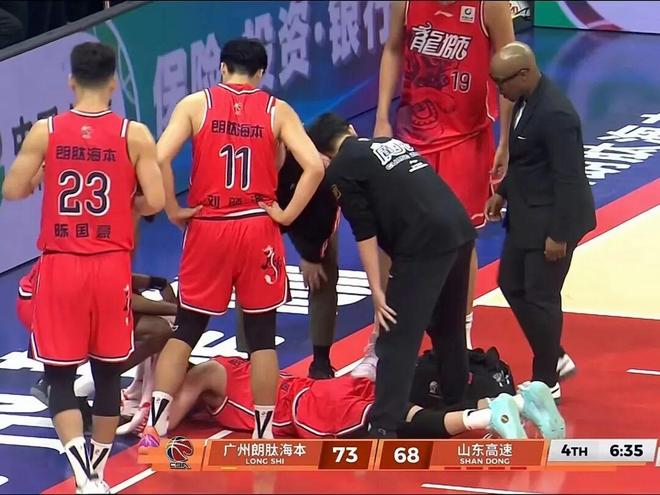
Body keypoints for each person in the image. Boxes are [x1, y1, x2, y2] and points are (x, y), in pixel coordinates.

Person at [141, 38, 324, 445]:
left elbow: (158, 158)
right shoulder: (277, 110)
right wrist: (286, 214)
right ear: (261, 73)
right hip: (257, 226)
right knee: (261, 336)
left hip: (209, 224)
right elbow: (314, 166)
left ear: (222, 68)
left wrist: (172, 208)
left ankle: (155, 426)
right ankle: (263, 434)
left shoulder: (195, 104)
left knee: (187, 328)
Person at [2, 41, 164, 494]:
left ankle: (82, 475)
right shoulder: (135, 134)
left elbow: (13, 190)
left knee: (59, 375)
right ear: (113, 82)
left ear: (71, 81)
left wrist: (39, 178)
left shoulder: (46, 131)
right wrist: (126, 201)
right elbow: (156, 201)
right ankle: (99, 472)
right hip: (110, 266)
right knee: (109, 373)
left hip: (62, 265)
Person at [363, 1, 516, 367]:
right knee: (391, 237)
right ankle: (380, 340)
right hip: (412, 136)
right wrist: (382, 116)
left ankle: (461, 338)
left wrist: (507, 141)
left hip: (467, 138)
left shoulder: (490, 6)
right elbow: (393, 49)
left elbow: (511, 70)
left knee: (460, 242)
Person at [305, 112, 476, 439]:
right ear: (351, 129)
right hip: (459, 230)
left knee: (396, 337)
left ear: (324, 154)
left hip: (423, 243)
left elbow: (364, 231)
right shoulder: (389, 143)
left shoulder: (341, 169)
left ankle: (383, 425)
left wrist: (378, 292)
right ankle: (456, 402)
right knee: (448, 325)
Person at [485, 42, 596, 398]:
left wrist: (559, 234)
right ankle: (555, 354)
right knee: (510, 283)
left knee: (541, 296)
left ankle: (546, 382)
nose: (498, 89)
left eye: (501, 82)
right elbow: (526, 160)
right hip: (527, 213)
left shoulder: (556, 114)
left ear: (523, 74)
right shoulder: (524, 101)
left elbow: (569, 178)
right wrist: (502, 192)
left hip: (554, 220)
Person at [166, 355, 565, 441]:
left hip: (311, 410)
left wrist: (150, 420)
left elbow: (166, 419)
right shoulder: (235, 366)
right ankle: (520, 401)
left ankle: (486, 419)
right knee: (411, 411)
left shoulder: (206, 372)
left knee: (402, 425)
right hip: (330, 389)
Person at [236, 150, 341, 379]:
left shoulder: (310, 164)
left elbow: (326, 213)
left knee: (323, 272)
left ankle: (321, 362)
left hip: (305, 204)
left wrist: (312, 255)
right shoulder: (242, 164)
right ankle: (249, 358)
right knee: (249, 273)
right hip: (256, 208)